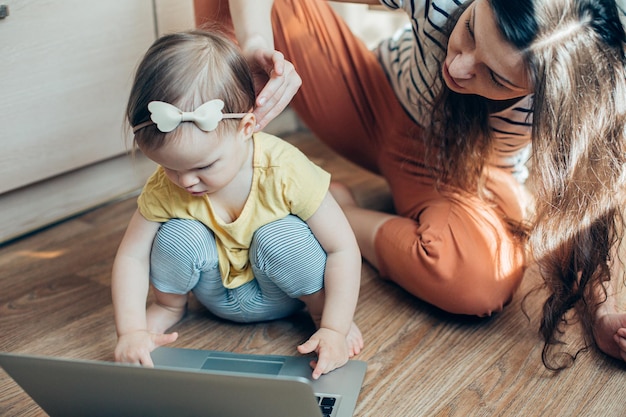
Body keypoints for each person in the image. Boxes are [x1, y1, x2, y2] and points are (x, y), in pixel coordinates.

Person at [194, 0, 626, 369]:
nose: (457, 66)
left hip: (463, 172)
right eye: (471, 29)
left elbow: (580, 214)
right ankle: (218, 168)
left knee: (478, 280)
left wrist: (602, 308)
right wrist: (253, 44)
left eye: (495, 77)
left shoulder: (576, 103)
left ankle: (331, 211)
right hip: (369, 100)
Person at [112, 28, 363, 379]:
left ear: (246, 127)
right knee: (177, 234)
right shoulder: (166, 187)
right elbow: (131, 256)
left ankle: (323, 318)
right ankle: (168, 307)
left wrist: (336, 326)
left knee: (281, 236)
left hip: (286, 295)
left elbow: (342, 249)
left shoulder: (285, 170)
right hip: (215, 296)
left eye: (203, 166)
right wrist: (131, 330)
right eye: (169, 167)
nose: (185, 181)